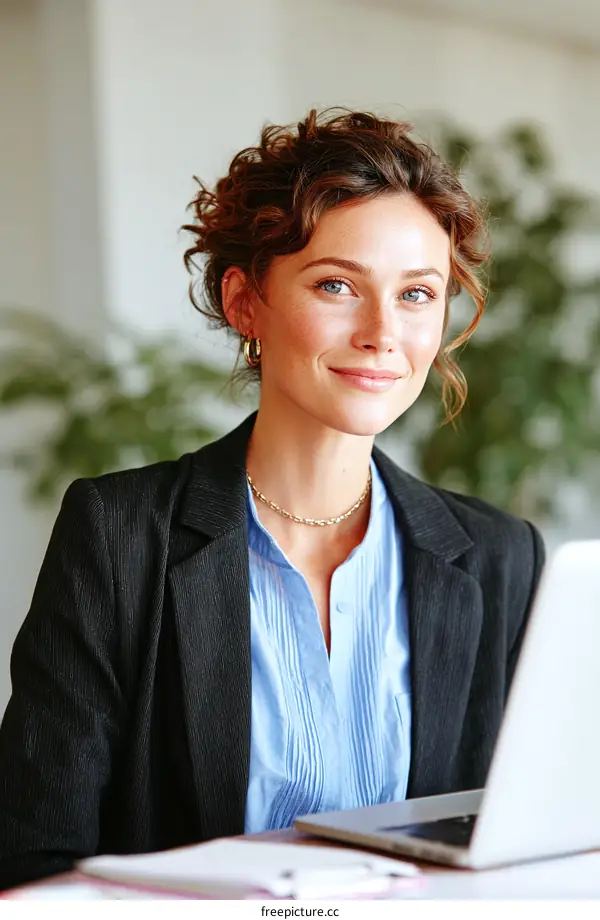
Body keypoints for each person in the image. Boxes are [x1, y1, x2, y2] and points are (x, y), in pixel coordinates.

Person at [0, 109, 545, 891]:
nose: (383, 332)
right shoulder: (121, 536)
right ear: (245, 302)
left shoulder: (500, 556)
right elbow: (31, 864)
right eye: (336, 285)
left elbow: (521, 844)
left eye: (418, 294)